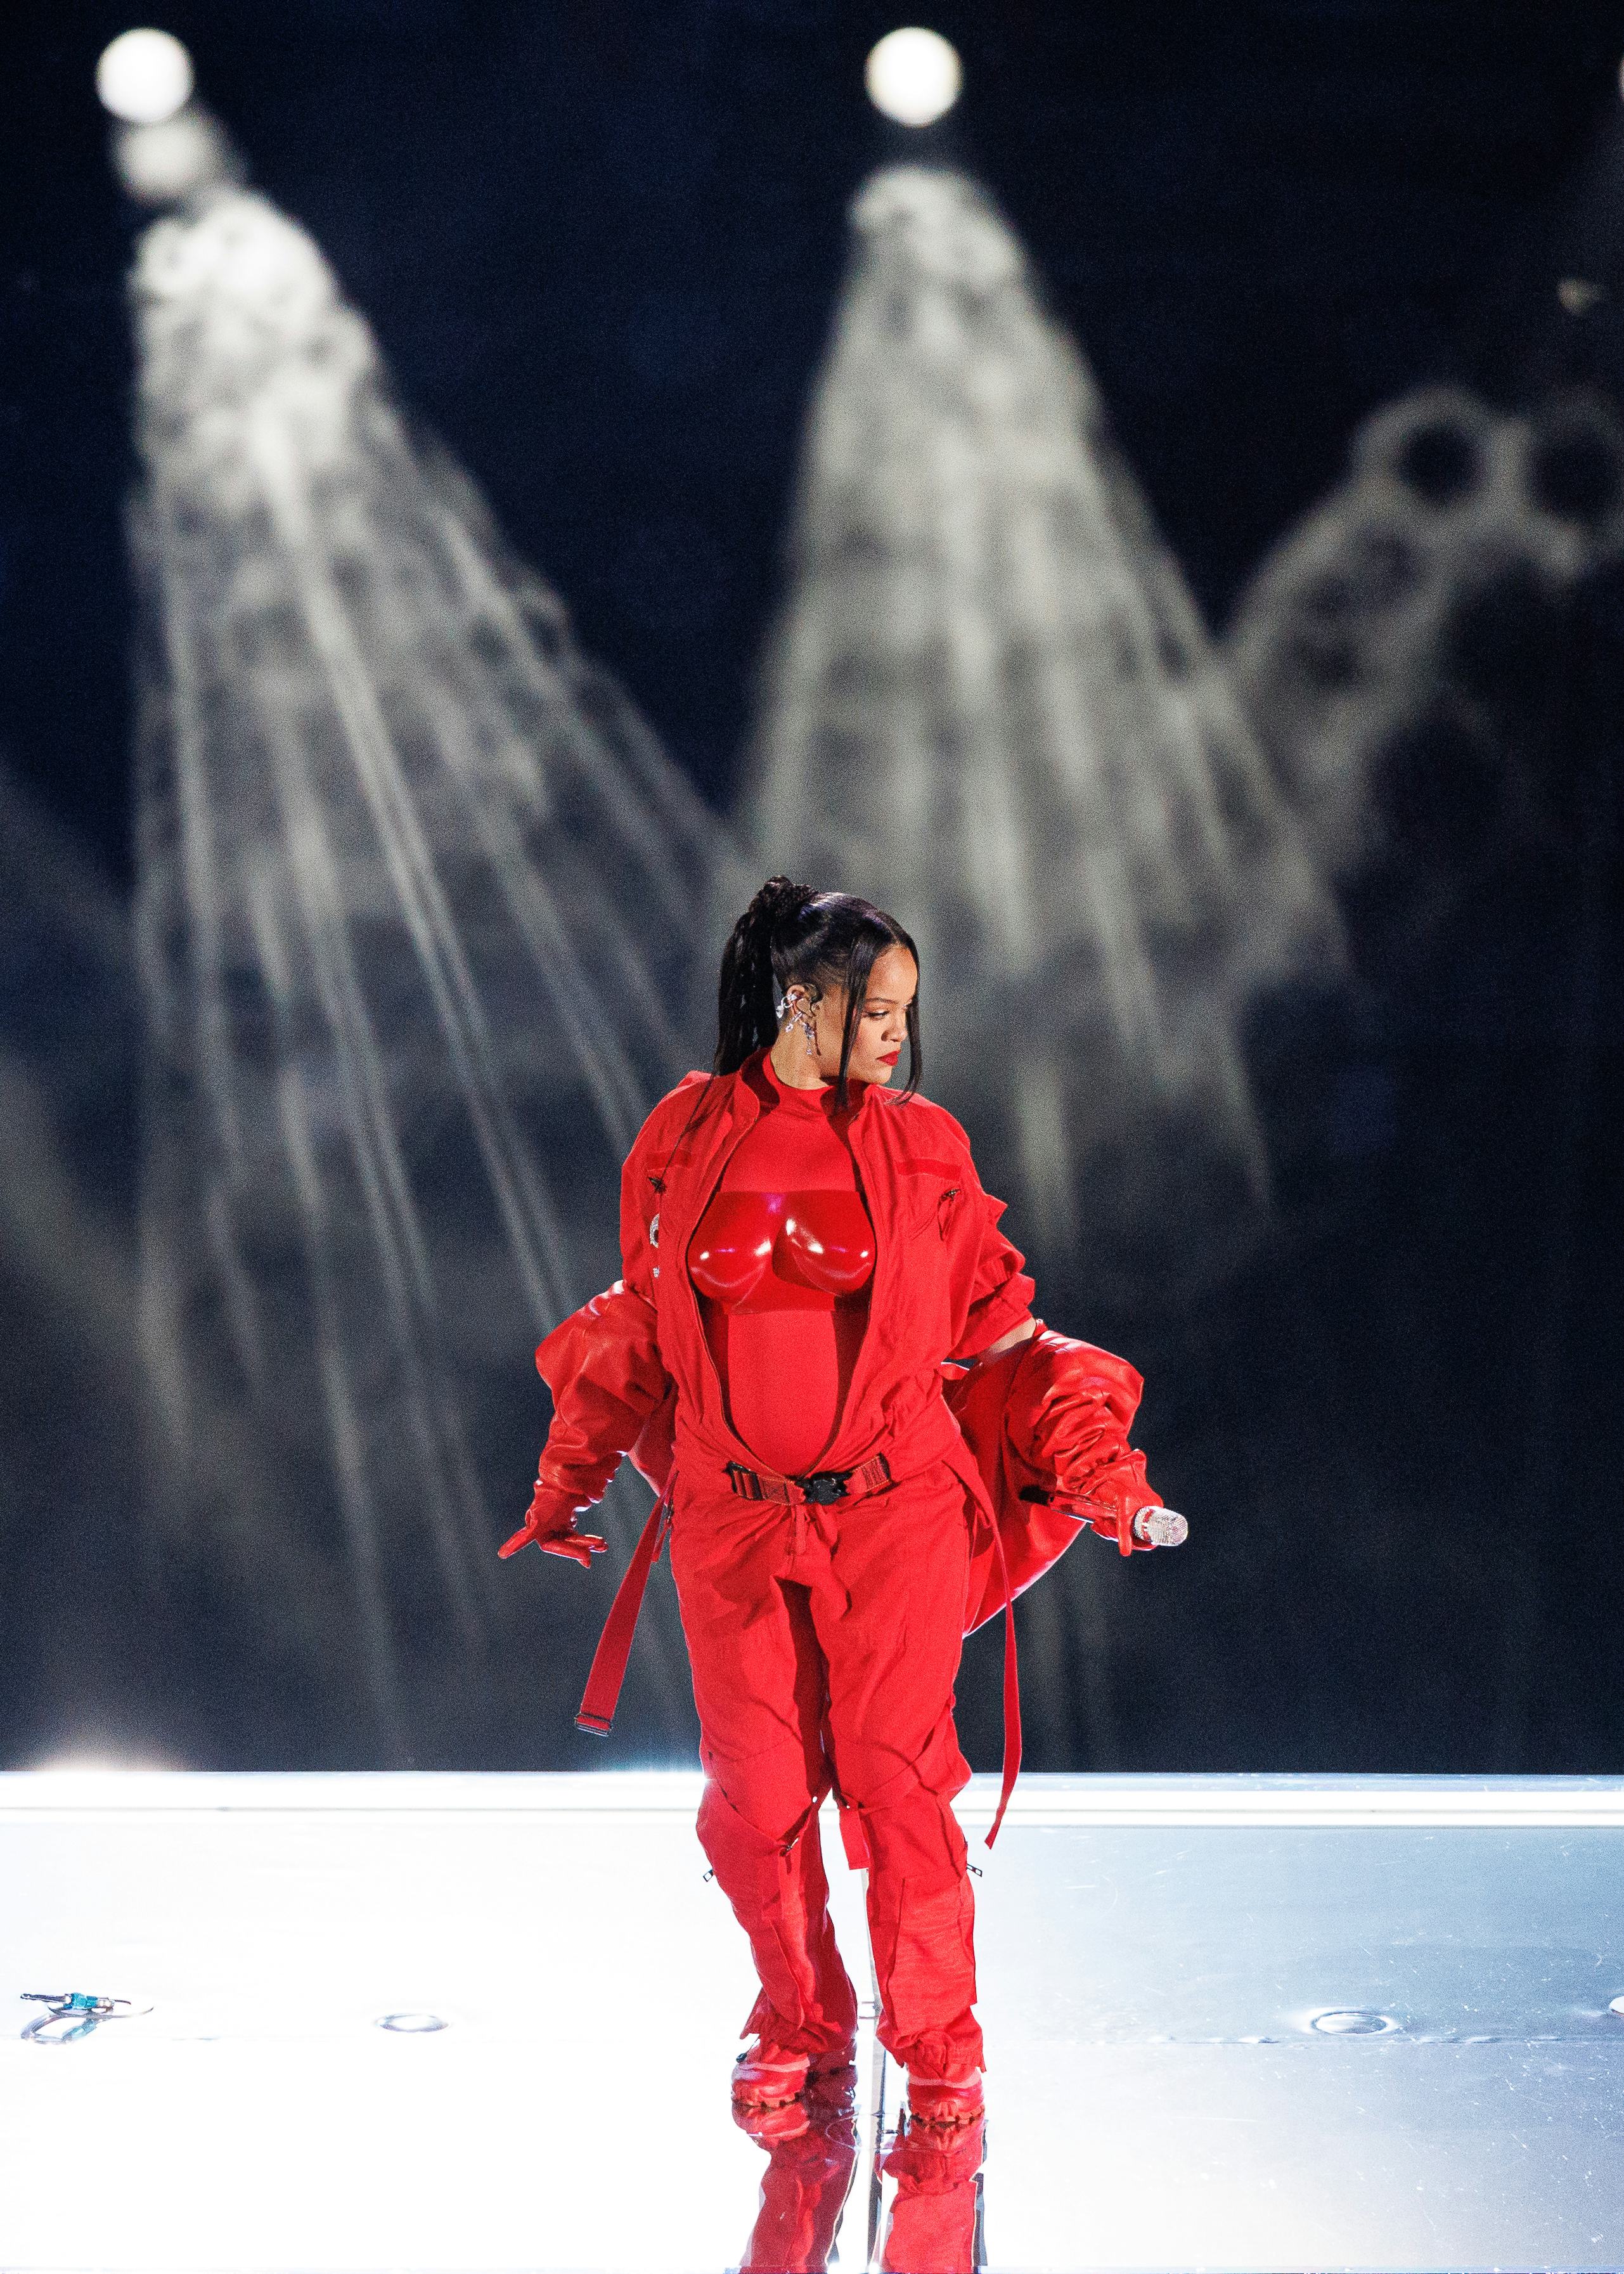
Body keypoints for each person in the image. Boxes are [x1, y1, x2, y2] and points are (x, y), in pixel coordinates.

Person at [499, 876, 1178, 2131]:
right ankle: (798, 2019)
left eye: (906, 1016)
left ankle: (941, 2050)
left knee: (898, 1783)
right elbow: (641, 1323)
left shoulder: (926, 1146)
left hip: (894, 1511)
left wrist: (1101, 1474)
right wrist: (567, 1479)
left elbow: (1005, 1337)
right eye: (877, 1010)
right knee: (755, 1792)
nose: (896, 1038)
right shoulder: (686, 1133)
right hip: (730, 1514)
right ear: (798, 998)